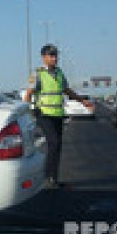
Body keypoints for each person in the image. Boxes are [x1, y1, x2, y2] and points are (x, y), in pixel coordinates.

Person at [24, 44, 93, 189]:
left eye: (56, 55)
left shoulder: (60, 73)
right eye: (51, 55)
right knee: (53, 143)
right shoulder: (37, 74)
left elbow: (67, 90)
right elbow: (29, 93)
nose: (55, 58)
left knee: (57, 146)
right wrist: (27, 112)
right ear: (44, 57)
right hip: (43, 114)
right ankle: (47, 178)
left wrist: (82, 101)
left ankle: (53, 179)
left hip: (57, 114)